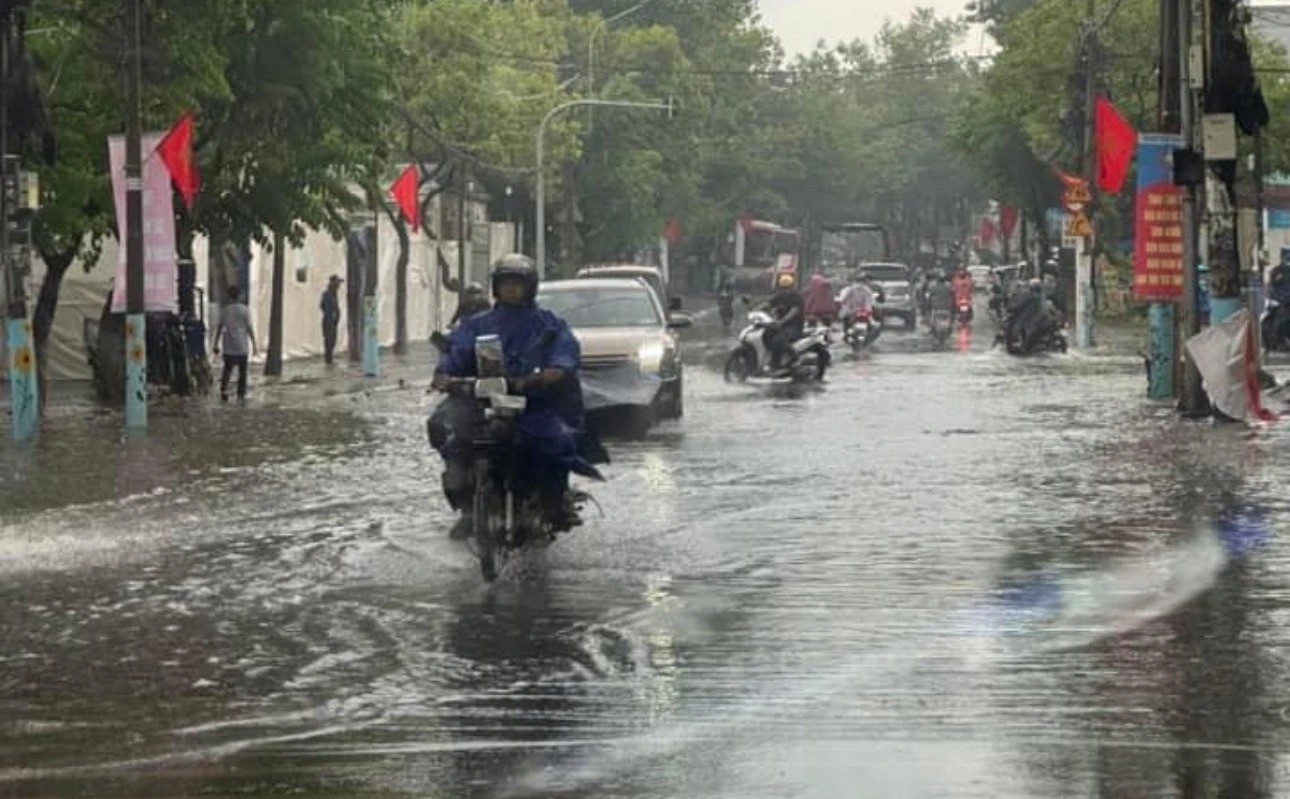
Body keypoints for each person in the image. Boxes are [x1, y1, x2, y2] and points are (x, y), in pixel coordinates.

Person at [429, 254, 598, 539]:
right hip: (482, 402)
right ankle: (468, 505)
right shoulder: (476, 324)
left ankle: (554, 500)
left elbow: (565, 354)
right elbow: (455, 354)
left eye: (517, 284)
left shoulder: (549, 324)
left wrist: (551, 373)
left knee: (557, 440)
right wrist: (444, 377)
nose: (511, 289)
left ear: (529, 287)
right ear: (496, 287)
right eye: (505, 283)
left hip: (533, 404)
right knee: (443, 425)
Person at [213, 285, 257, 403]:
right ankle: (241, 393)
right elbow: (249, 328)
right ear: (240, 295)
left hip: (228, 345)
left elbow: (219, 328)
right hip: (242, 345)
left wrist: (216, 344)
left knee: (227, 369)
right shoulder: (245, 310)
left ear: (229, 296)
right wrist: (254, 344)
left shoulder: (225, 310)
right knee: (243, 371)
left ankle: (223, 390)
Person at [761, 271, 804, 370]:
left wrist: (781, 322)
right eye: (783, 288)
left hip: (794, 326)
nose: (785, 290)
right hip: (780, 326)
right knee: (766, 335)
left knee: (778, 340)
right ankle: (774, 361)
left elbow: (793, 312)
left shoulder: (796, 297)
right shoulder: (779, 296)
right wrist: (755, 310)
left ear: (791, 287)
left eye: (787, 287)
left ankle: (794, 357)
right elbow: (768, 304)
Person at [320, 275, 342, 365]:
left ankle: (330, 358)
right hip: (328, 321)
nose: (339, 285)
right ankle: (328, 359)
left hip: (333, 321)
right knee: (329, 340)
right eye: (337, 283)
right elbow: (322, 306)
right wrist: (330, 314)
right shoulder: (327, 294)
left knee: (333, 339)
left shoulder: (334, 294)